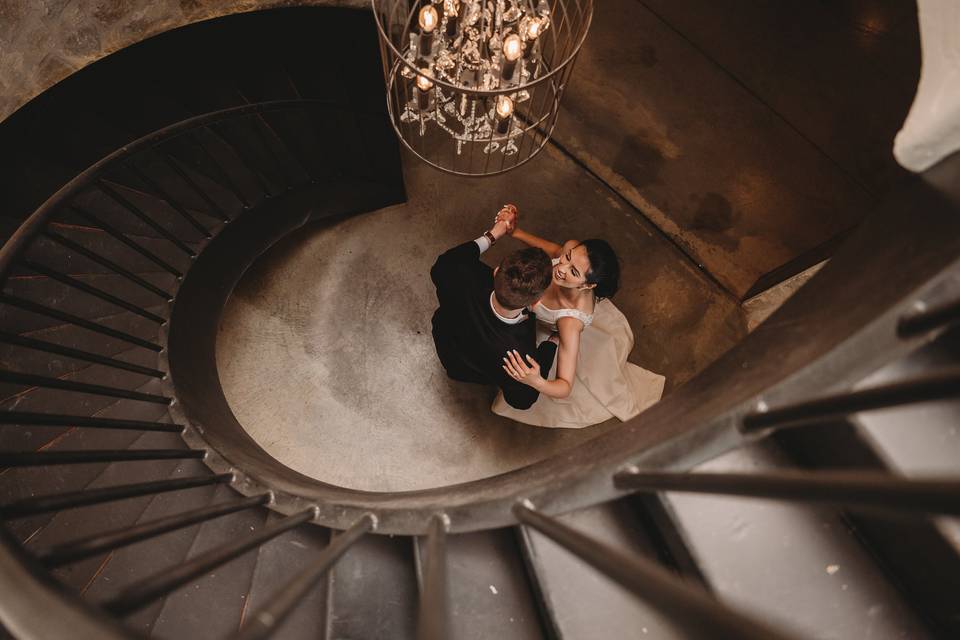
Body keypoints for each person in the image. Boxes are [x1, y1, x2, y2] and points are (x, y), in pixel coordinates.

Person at [493, 211, 665, 428]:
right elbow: (555, 250)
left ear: (588, 285)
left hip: (541, 325)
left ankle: (549, 341)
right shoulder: (569, 251)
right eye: (568, 258)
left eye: (573, 271)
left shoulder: (569, 323)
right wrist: (515, 232)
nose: (560, 268)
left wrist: (536, 380)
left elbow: (564, 386)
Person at [430, 205, 558, 410]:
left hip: (448, 346)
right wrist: (552, 342)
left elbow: (445, 262)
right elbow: (522, 400)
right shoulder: (519, 357)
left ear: (496, 270)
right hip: (473, 371)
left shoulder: (458, 272)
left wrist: (494, 233)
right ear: (535, 301)